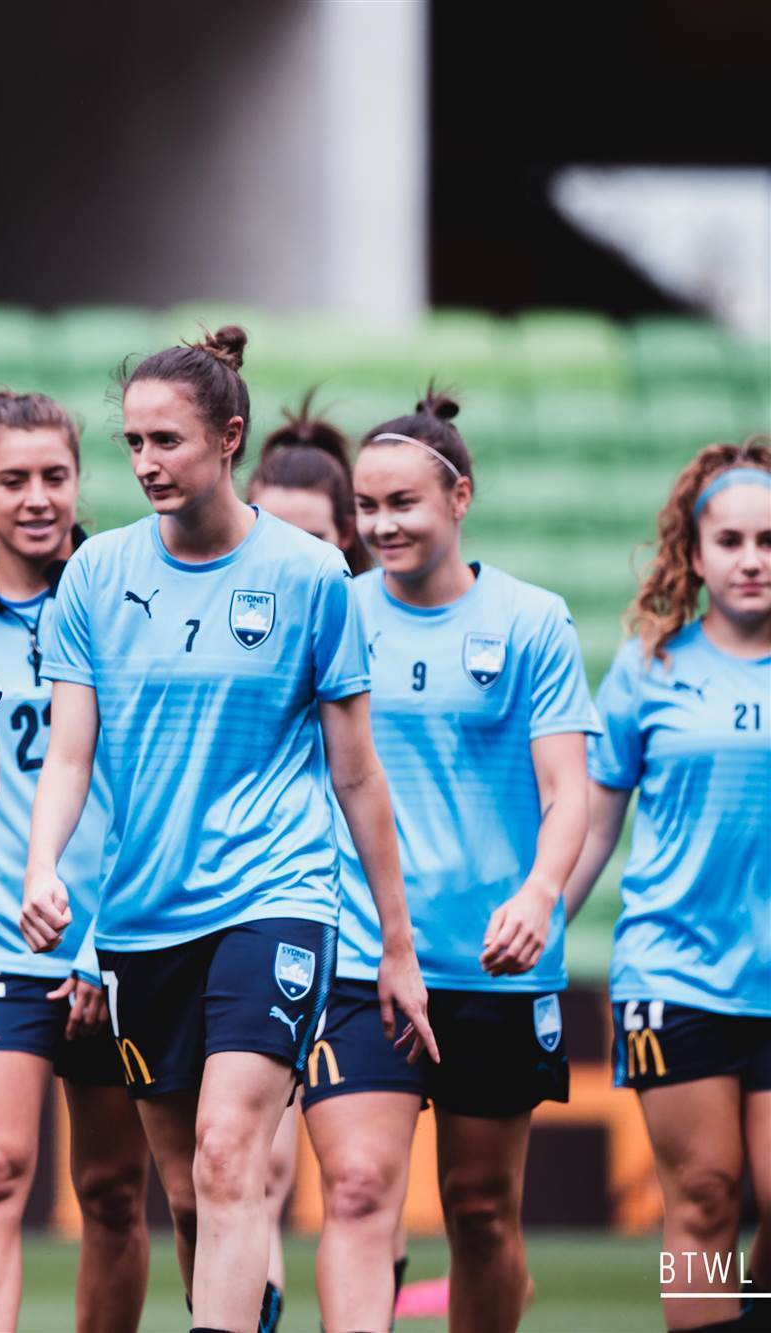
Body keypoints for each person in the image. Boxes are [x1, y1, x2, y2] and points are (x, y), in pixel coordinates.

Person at [21, 326, 436, 1333]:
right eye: (132, 443)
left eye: (167, 439)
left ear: (228, 438)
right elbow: (69, 752)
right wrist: (41, 867)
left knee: (226, 1150)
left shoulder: (305, 577)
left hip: (273, 901)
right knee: (190, 1190)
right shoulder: (94, 576)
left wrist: (393, 942)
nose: (147, 463)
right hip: (138, 920)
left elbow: (355, 773)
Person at [301, 391, 596, 1333]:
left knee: (479, 1213)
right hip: (359, 957)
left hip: (491, 964)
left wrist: (541, 893)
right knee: (354, 1190)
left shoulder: (532, 621)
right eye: (367, 508)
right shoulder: (334, 614)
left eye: (404, 504)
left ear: (458, 496)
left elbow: (570, 793)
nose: (380, 525)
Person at [0, 390, 151, 1333]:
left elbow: (152, 784)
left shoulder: (132, 603)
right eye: (14, 479)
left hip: (121, 934)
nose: (38, 497)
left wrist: (104, 941)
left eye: (56, 475)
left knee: (114, 1193)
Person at [565, 438, 771, 1328]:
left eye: (770, 540)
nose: (753, 559)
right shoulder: (649, 670)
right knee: (706, 1197)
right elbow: (596, 823)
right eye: (730, 540)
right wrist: (542, 928)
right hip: (674, 971)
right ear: (694, 552)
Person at [240, 394, 372, 1328]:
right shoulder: (222, 628)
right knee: (283, 1169)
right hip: (296, 927)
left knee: (480, 1213)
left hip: (425, 944)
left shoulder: (368, 623)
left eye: (312, 537)